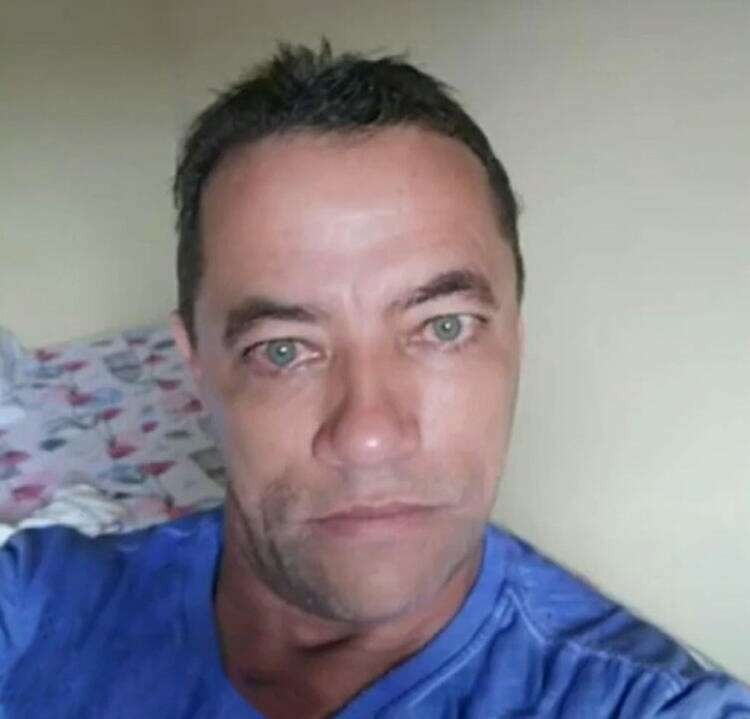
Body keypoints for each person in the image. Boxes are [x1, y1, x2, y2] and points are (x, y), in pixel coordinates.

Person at [1, 42, 748, 719]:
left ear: (515, 342)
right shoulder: (35, 602)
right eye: (283, 350)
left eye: (444, 327)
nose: (368, 436)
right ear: (195, 362)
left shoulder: (649, 703)